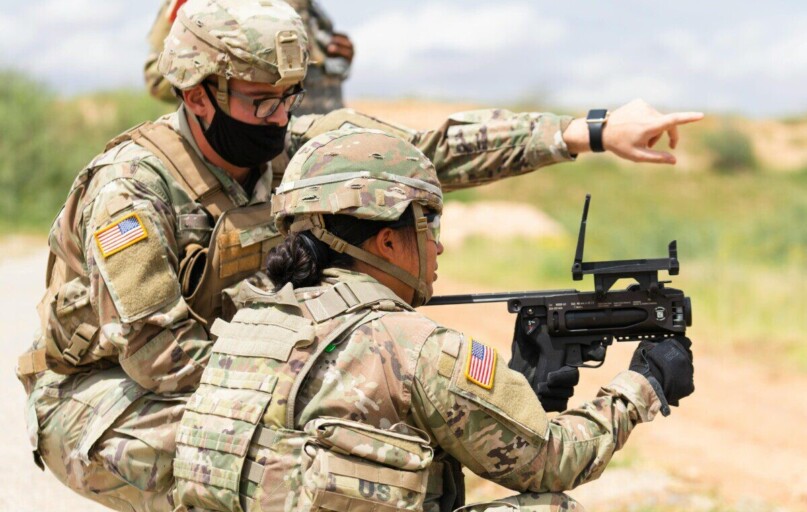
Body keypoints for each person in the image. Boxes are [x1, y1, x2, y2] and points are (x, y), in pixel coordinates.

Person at [15, 0, 702, 509]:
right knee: (354, 471)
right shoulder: (131, 191)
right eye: (259, 102)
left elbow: (423, 152)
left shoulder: (282, 148)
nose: (279, 118)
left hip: (237, 373)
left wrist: (589, 131)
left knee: (385, 450)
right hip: (106, 401)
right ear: (198, 94)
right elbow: (160, 361)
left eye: (287, 98)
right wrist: (341, 385)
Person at [173, 128, 695, 512]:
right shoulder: (415, 347)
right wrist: (642, 385)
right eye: (429, 223)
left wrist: (530, 399)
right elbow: (553, 462)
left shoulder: (250, 321)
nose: (438, 243)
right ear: (386, 240)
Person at [144, 0, 355, 114]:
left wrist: (336, 58)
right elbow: (158, 78)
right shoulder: (204, 6)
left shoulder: (308, 7)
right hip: (245, 150)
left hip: (316, 144)